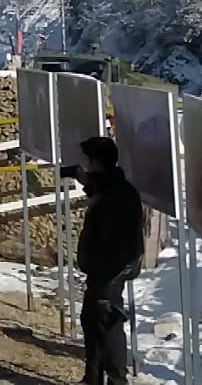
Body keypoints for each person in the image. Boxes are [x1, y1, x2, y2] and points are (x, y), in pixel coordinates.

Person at [74, 136, 142, 385]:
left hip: (110, 270)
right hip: (104, 269)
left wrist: (106, 270)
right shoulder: (113, 186)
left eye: (88, 160)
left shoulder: (116, 195)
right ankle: (92, 378)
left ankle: (116, 380)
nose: (85, 165)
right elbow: (100, 191)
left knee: (108, 326)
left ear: (97, 162)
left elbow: (117, 237)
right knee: (92, 322)